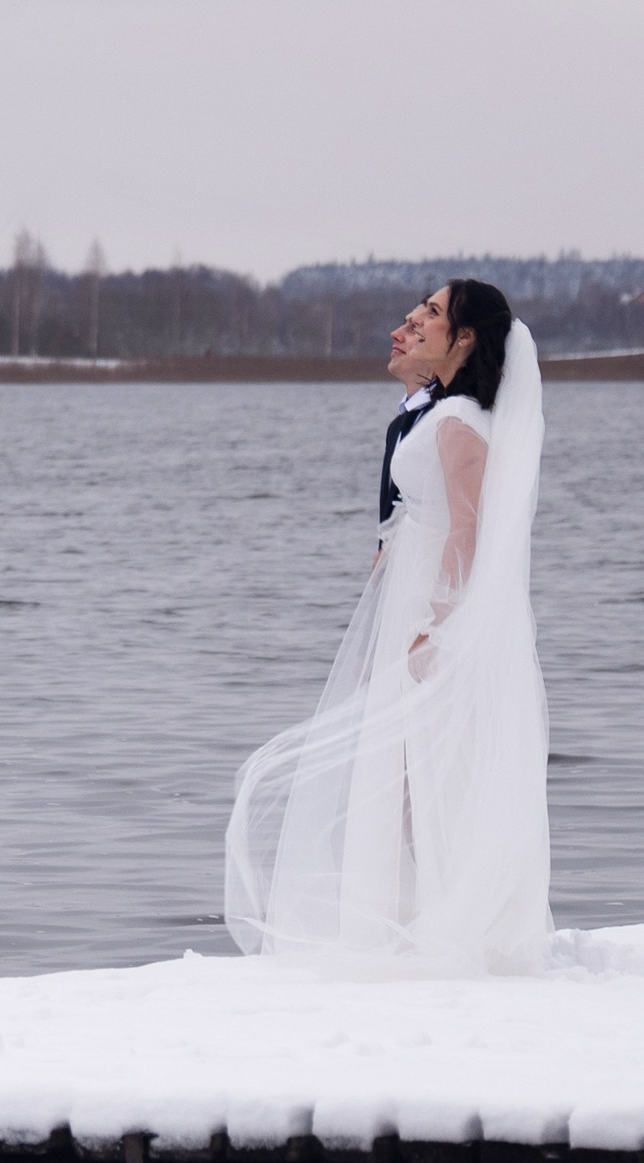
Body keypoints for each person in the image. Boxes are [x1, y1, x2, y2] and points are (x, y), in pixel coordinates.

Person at [224, 279, 551, 971]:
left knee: (423, 766)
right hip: (410, 590)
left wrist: (437, 624)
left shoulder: (461, 424)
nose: (417, 321)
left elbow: (468, 527)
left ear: (464, 338)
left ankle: (442, 917)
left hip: (430, 601)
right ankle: (410, 912)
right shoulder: (444, 413)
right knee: (403, 765)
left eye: (432, 313)